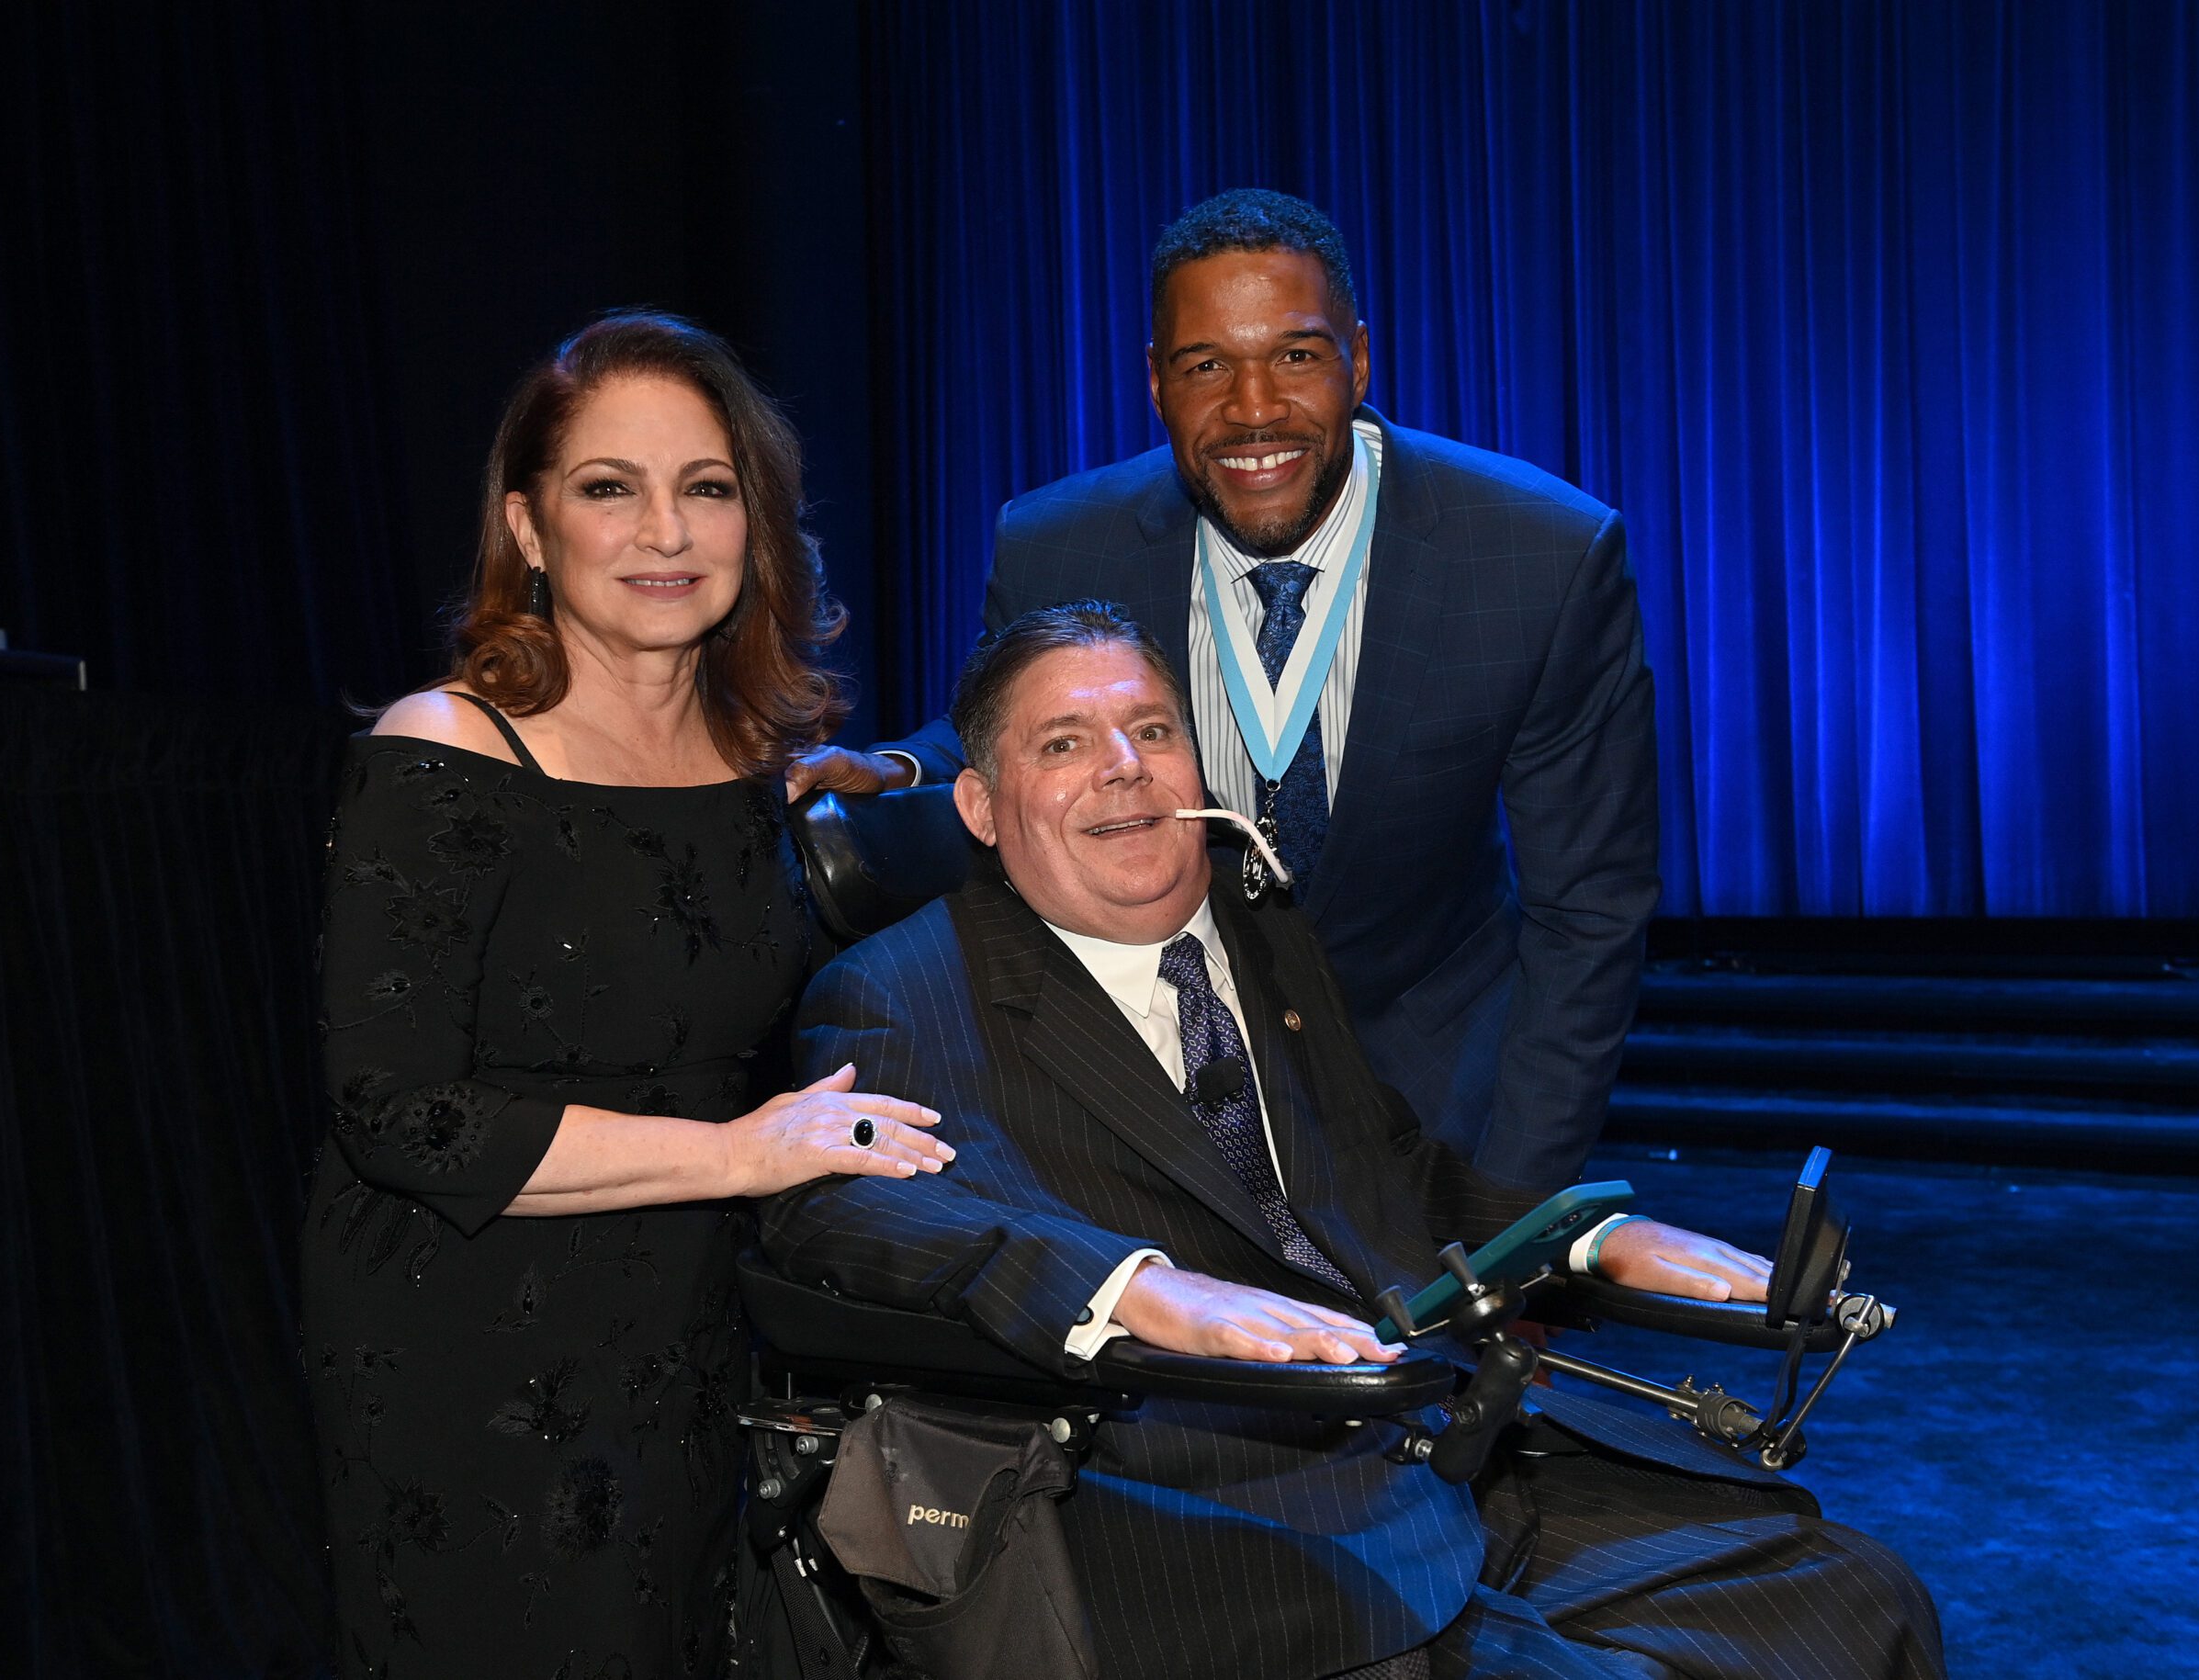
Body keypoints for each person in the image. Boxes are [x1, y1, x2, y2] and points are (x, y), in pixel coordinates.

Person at [762, 602, 1941, 1680]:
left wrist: (1590, 1240)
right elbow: (837, 1206)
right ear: (978, 803)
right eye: (1063, 743)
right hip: (1218, 1507)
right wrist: (1136, 1287)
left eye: (1152, 729)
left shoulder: (1260, 933)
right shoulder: (900, 989)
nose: (1123, 768)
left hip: (1447, 1451)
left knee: (1859, 1601)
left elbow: (1391, 1172)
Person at [301, 312, 952, 1677]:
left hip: (694, 1337)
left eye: (705, 488)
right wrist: (737, 1152)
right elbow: (395, 1113)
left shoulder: (757, 759)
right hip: (470, 1350)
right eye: (611, 488)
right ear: (531, 529)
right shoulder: (449, 745)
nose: (665, 531)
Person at [790, 188, 1657, 1192]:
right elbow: (1013, 729)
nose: (1253, 409)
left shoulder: (1537, 556)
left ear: (1359, 360)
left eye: (1296, 355)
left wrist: (1520, 1225)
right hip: (1154, 1099)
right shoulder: (1058, 540)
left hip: (1435, 1093)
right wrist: (899, 767)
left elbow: (1588, 912)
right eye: (1207, 366)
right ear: (1156, 384)